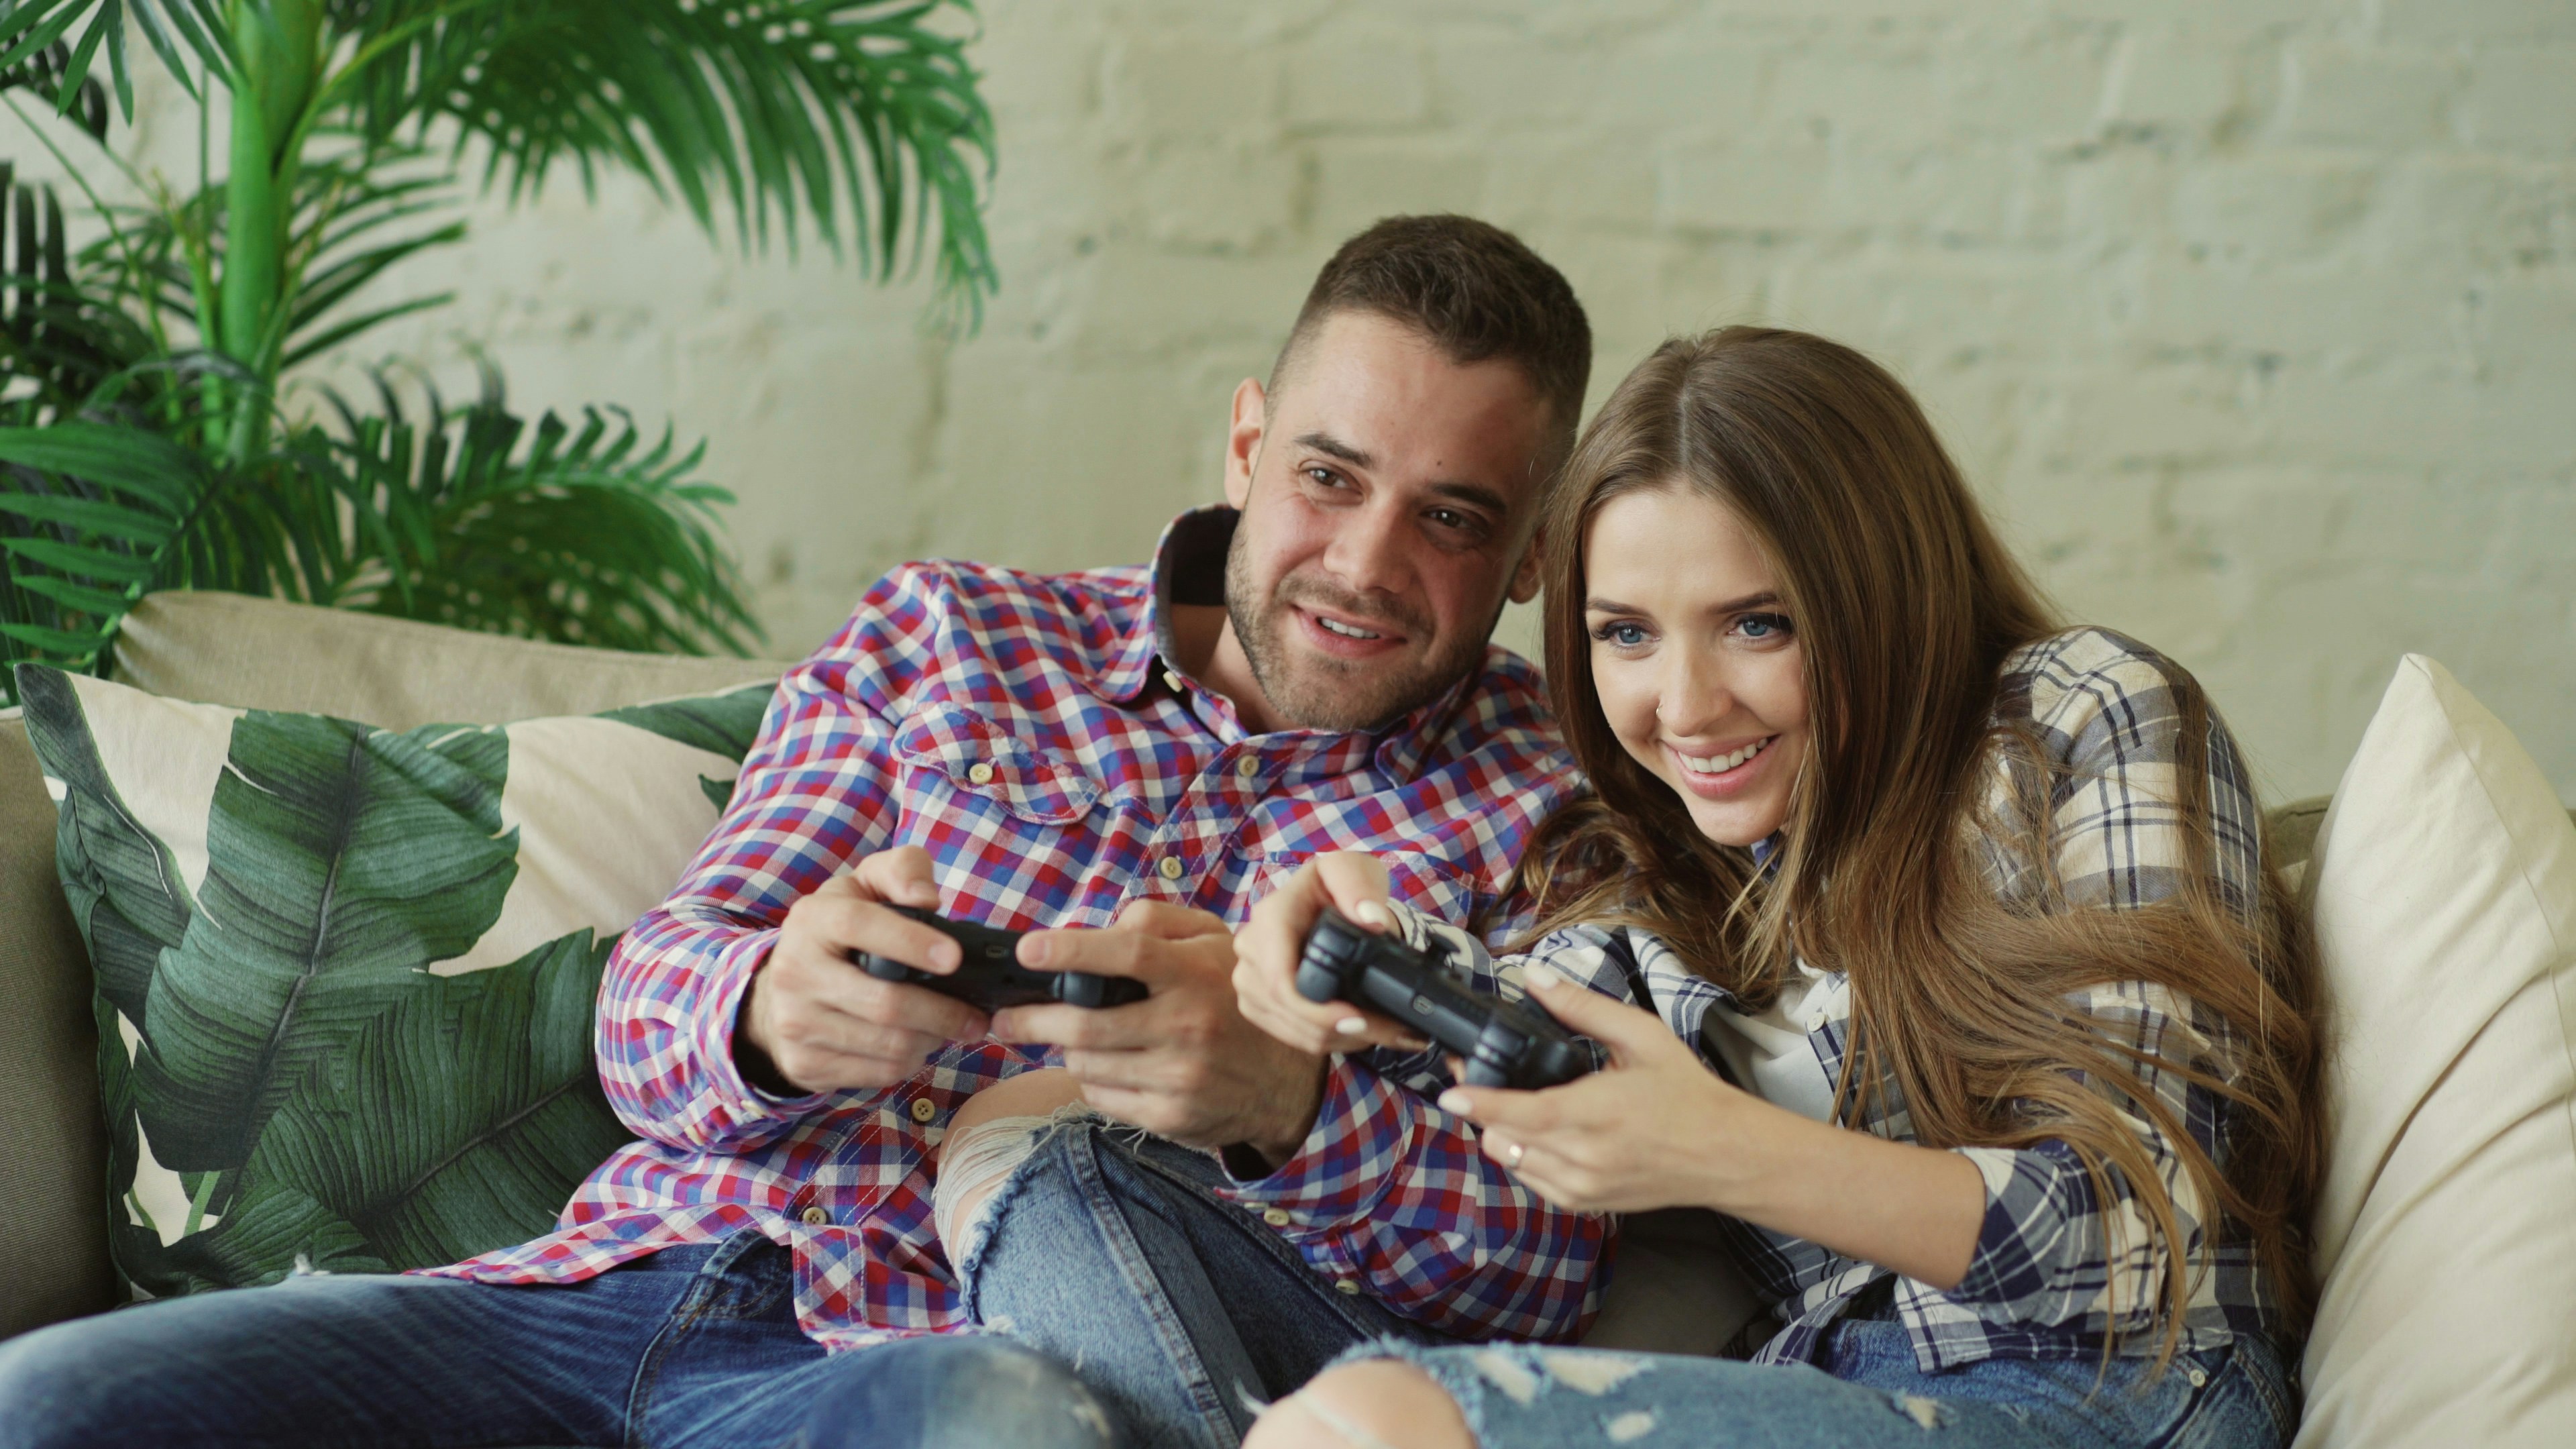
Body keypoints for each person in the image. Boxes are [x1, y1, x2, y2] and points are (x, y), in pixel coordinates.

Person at [0, 216, 1597, 1449]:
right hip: (608, 1291)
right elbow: (646, 1010)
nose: (1365, 562)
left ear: (1532, 553)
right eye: (1329, 476)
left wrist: (1284, 1105)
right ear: (1248, 446)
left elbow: (1543, 1268)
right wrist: (767, 1011)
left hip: (936, 1371)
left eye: (1453, 518)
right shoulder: (957, 636)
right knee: (54, 1407)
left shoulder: (1548, 804)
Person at [1228, 327, 2325, 1449]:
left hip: (2117, 1395)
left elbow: (2146, 1232)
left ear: (1884, 594)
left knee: (1372, 1422)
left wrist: (1722, 1147)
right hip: (1833, 1386)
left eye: (1758, 624)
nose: (1686, 707)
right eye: (1627, 635)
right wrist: (1360, 952)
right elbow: (1527, 1022)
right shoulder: (1665, 866)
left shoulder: (2078, 714)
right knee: (1345, 1408)